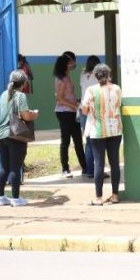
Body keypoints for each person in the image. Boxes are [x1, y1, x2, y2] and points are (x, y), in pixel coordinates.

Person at [0, 70, 39, 207]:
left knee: (4, 167)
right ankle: (15, 198)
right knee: (15, 167)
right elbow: (25, 116)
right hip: (15, 134)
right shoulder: (20, 96)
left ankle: (1, 197)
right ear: (24, 83)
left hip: (0, 134)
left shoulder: (3, 94)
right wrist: (34, 114)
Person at [81, 63, 122, 206]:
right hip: (115, 130)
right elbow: (118, 105)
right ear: (109, 74)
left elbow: (84, 110)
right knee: (114, 163)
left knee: (99, 164)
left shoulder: (91, 90)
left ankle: (98, 198)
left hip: (97, 131)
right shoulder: (117, 89)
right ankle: (115, 196)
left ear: (95, 75)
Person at [53, 53, 87, 178]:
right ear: (66, 64)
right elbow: (60, 99)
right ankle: (65, 168)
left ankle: (85, 167)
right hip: (64, 113)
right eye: (71, 62)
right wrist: (75, 106)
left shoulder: (67, 77)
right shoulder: (61, 79)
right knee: (65, 141)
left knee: (78, 140)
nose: (73, 64)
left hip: (72, 112)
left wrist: (76, 103)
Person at [80, 55, 101, 179]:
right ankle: (97, 170)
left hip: (83, 109)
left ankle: (89, 170)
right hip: (93, 111)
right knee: (97, 141)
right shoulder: (96, 77)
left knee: (88, 142)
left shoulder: (83, 75)